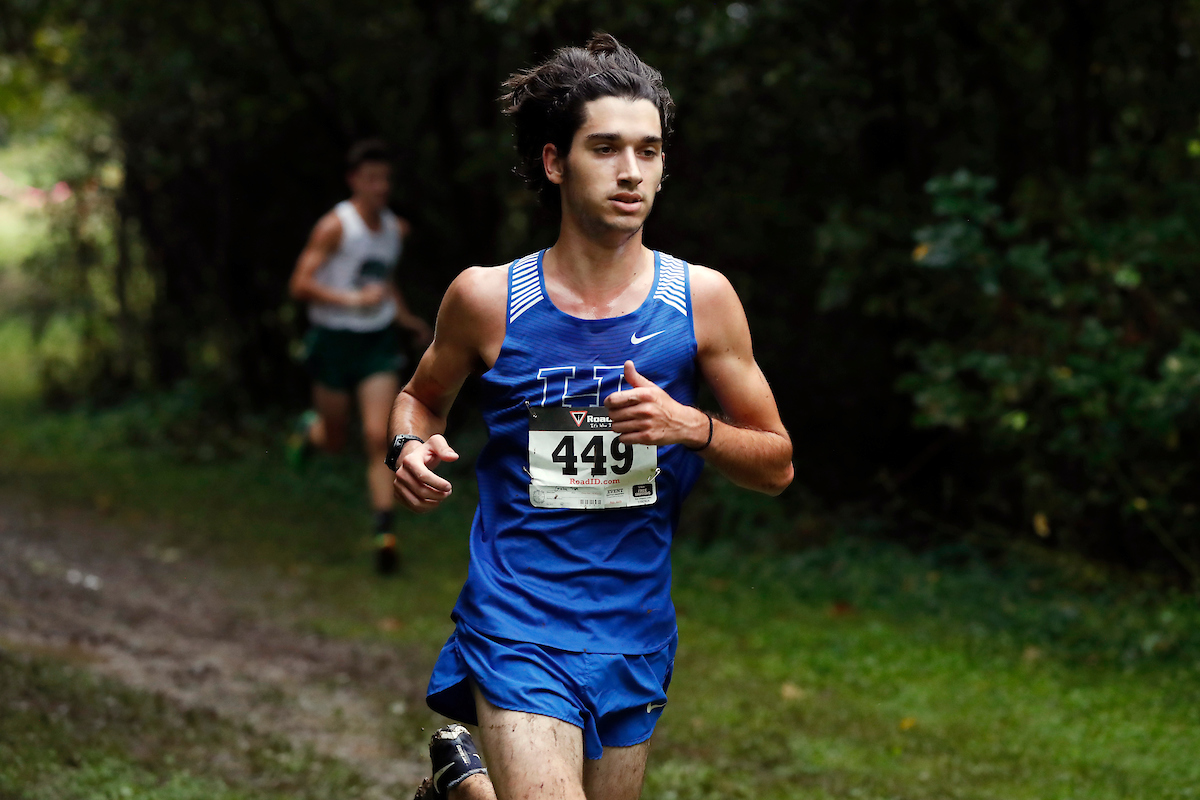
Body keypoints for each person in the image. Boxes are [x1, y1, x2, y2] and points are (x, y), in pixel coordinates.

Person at [387, 34, 793, 800]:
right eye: (605, 148)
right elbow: (419, 398)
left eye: (649, 150)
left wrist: (690, 427)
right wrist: (406, 445)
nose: (631, 171)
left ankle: (460, 791)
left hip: (633, 629)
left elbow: (777, 463)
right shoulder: (487, 299)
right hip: (517, 618)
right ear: (553, 162)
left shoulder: (701, 301)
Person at [288, 138, 433, 575]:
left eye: (385, 179)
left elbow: (383, 281)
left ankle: (384, 533)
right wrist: (350, 301)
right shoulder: (336, 226)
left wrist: (405, 318)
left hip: (375, 343)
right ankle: (310, 433)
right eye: (372, 179)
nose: (381, 187)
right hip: (333, 341)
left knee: (377, 436)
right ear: (354, 181)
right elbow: (299, 285)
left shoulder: (394, 230)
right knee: (335, 440)